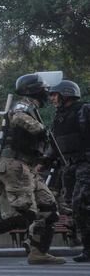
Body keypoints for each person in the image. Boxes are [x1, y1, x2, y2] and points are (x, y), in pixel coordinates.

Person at [0, 73, 65, 265]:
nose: (47, 93)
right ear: (35, 91)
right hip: (14, 165)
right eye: (44, 90)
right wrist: (40, 129)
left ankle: (38, 252)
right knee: (27, 214)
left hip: (27, 166)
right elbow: (18, 117)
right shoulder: (23, 105)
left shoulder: (33, 108)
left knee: (49, 208)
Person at [49, 80, 90, 262]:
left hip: (86, 164)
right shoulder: (58, 118)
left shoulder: (84, 110)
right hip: (68, 167)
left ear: (66, 94)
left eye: (55, 95)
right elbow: (55, 146)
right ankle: (87, 249)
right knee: (74, 207)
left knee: (80, 202)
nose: (52, 99)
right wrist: (43, 162)